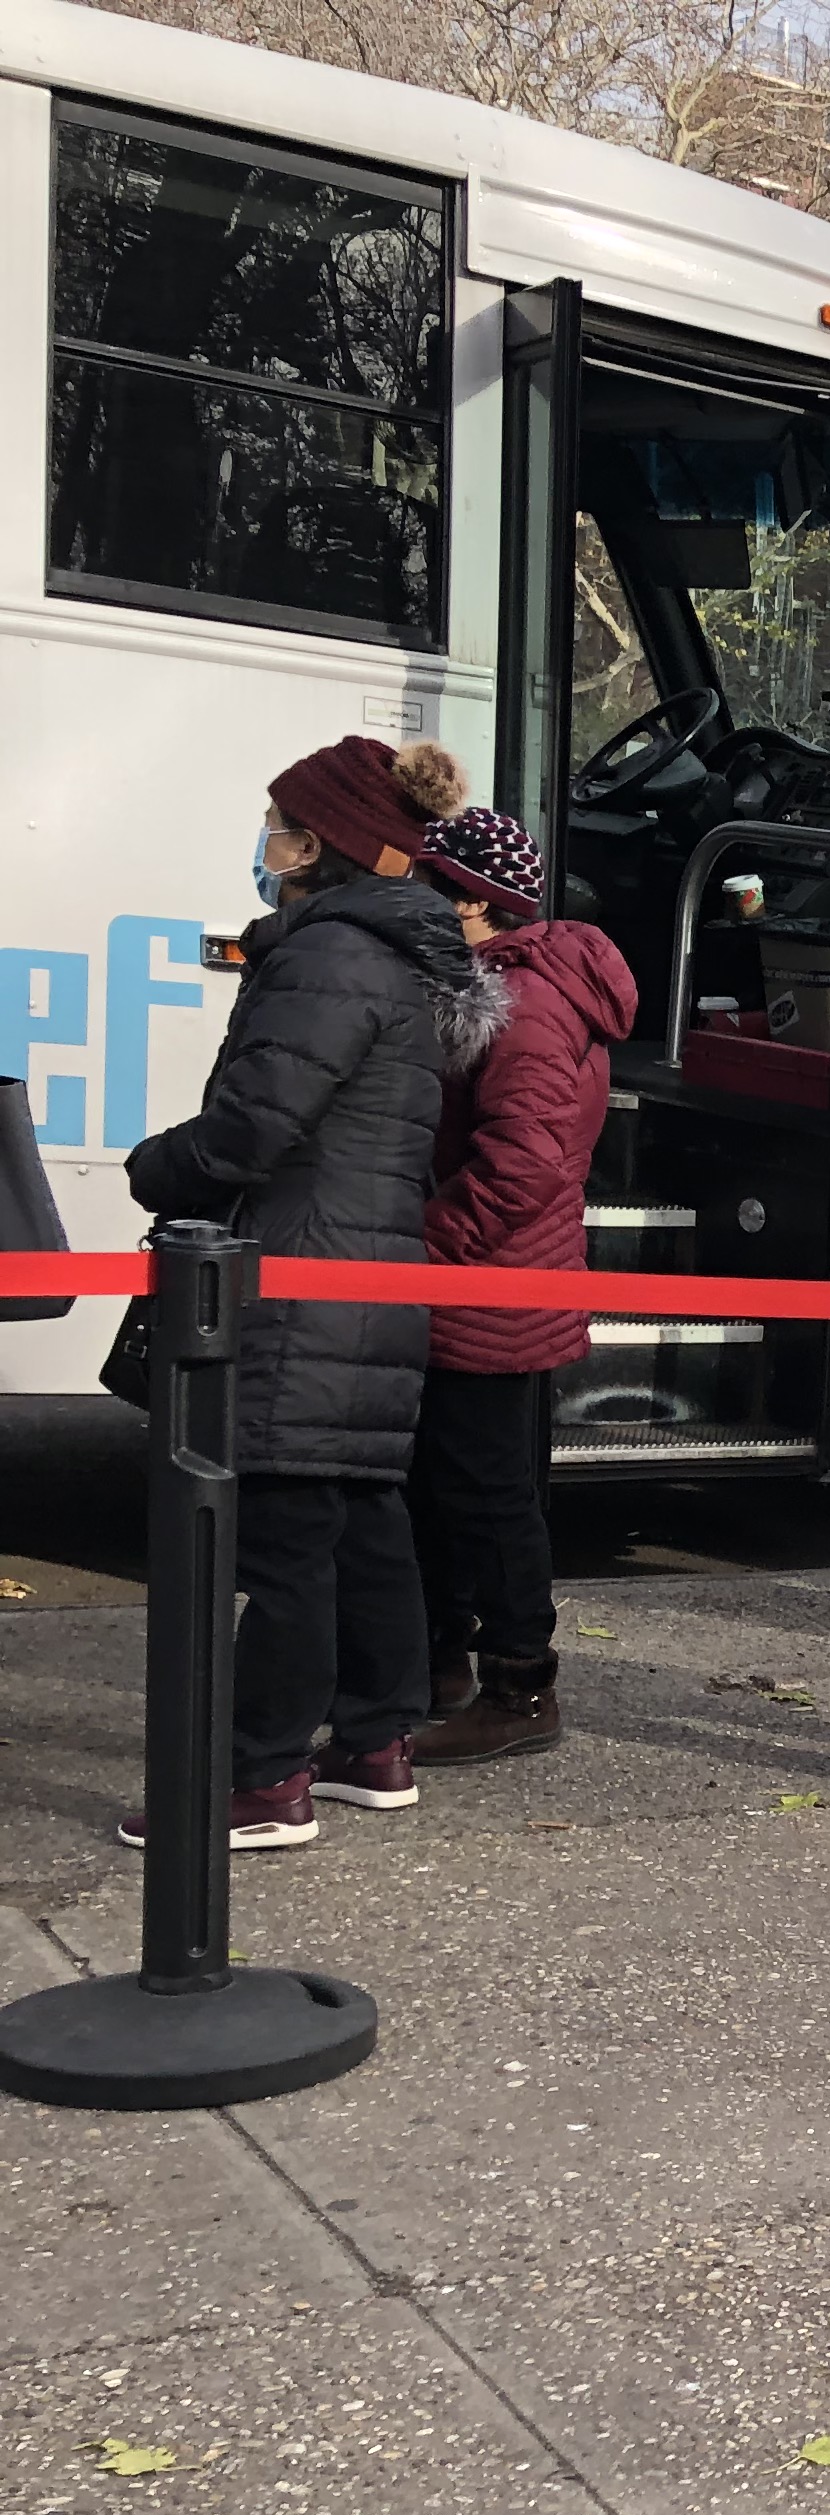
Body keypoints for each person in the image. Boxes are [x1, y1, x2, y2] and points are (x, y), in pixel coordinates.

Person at [117, 738, 461, 1851]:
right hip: (364, 1274)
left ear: (313, 844)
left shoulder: (332, 954)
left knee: (285, 1543)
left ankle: (262, 1778)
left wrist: (153, 1166)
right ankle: (375, 1743)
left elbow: (253, 1125)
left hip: (298, 1278)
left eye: (276, 824)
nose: (264, 843)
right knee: (360, 1521)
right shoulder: (395, 956)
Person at [403, 790, 639, 1768]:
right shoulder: (506, 984)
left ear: (473, 902)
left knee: (491, 1497)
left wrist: (419, 1248)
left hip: (490, 1283)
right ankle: (441, 1668)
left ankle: (518, 1688)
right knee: (449, 1485)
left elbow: (521, 1165)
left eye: (432, 887)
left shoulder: (527, 1002)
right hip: (490, 1277)